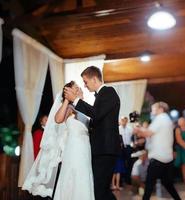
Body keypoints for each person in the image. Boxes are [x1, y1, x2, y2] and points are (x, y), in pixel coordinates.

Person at [23, 81, 94, 200]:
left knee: (84, 175)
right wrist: (66, 100)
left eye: (79, 88)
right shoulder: (71, 108)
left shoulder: (85, 107)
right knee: (73, 174)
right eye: (76, 88)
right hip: (74, 148)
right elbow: (58, 119)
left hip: (85, 148)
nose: (80, 89)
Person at [64, 66, 121, 200]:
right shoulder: (101, 95)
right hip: (101, 149)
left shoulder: (109, 91)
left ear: (94, 79)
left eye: (86, 81)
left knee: (99, 190)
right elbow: (96, 121)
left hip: (105, 149)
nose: (85, 85)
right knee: (101, 190)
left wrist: (77, 100)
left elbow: (96, 114)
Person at [133, 102, 181, 200]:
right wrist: (140, 129)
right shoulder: (166, 119)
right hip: (166, 157)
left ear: (161, 109)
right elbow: (151, 133)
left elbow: (147, 133)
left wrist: (138, 129)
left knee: (149, 183)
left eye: (154, 108)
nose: (152, 110)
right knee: (167, 183)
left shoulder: (160, 119)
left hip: (158, 157)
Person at [119, 116, 134, 184]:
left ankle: (127, 179)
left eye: (125, 120)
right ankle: (121, 180)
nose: (123, 122)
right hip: (121, 148)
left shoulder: (130, 129)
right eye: (122, 120)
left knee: (128, 163)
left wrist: (132, 144)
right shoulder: (118, 128)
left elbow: (132, 138)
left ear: (127, 121)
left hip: (128, 147)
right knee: (121, 163)